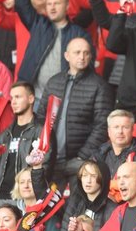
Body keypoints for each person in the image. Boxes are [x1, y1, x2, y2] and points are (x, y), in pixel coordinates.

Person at [41, 37, 112, 183]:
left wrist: (82, 156)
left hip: (78, 162)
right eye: (77, 52)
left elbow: (102, 126)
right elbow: (41, 118)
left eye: (86, 53)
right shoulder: (53, 82)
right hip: (50, 159)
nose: (82, 57)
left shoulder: (99, 85)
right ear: (67, 56)